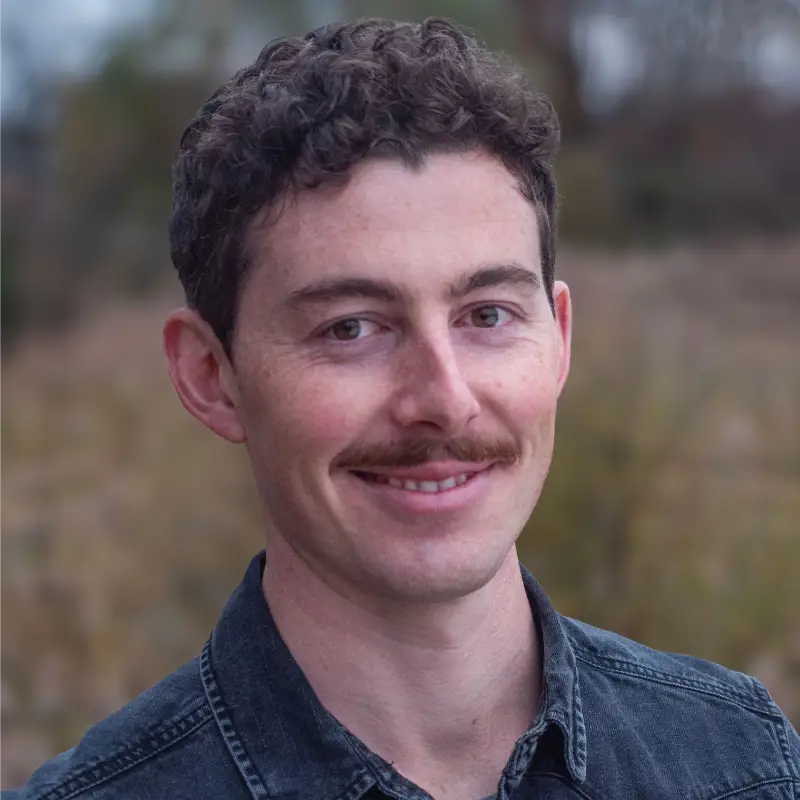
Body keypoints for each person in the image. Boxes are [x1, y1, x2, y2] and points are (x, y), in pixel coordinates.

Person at [4, 16, 798, 800]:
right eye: (350, 328)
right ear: (212, 376)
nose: (444, 401)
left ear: (558, 339)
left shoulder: (743, 764)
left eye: (487, 314)